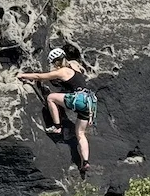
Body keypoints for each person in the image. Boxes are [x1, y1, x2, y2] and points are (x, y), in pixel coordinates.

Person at [17, 46, 97, 176]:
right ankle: (85, 162)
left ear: (56, 62)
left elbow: (39, 76)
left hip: (79, 100)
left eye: (54, 63)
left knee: (51, 98)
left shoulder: (62, 71)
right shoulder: (74, 64)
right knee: (80, 133)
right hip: (89, 102)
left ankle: (57, 126)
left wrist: (22, 75)